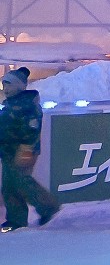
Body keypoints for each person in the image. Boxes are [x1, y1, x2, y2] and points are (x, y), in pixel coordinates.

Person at [1, 66, 58, 231]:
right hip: (8, 150)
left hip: (23, 150)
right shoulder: (11, 104)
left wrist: (26, 148)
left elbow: (31, 128)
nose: (6, 88)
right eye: (4, 84)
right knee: (9, 185)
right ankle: (16, 219)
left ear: (19, 86)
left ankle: (47, 206)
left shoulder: (27, 105)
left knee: (21, 181)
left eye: (9, 84)